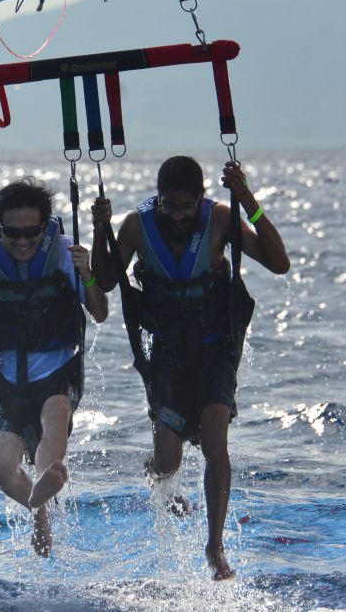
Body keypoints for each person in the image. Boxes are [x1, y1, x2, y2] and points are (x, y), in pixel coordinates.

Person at [90, 156, 289, 580]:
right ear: (158, 198)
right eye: (169, 207)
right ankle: (158, 477)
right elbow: (106, 280)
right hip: (167, 355)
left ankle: (215, 546)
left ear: (200, 197)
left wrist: (247, 199)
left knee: (216, 438)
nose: (178, 217)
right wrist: (98, 228)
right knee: (168, 459)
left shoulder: (219, 217)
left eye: (185, 208)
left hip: (216, 349)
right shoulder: (135, 226)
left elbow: (278, 262)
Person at [0, 178, 108, 557]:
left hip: (58, 369)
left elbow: (101, 311)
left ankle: (47, 477)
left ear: (45, 227)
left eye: (32, 233)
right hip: (7, 378)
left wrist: (87, 272)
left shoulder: (62, 253)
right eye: (12, 234)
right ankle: (40, 508)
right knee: (3, 469)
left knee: (54, 413)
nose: (23, 243)